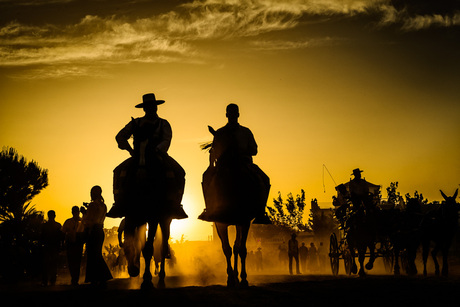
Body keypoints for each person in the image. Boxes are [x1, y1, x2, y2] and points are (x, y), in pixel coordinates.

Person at [108, 93, 187, 219]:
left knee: (179, 172)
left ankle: (176, 204)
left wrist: (157, 149)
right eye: (148, 106)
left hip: (159, 155)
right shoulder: (136, 123)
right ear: (144, 108)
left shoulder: (163, 123)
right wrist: (130, 150)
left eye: (153, 106)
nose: (151, 108)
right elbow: (120, 136)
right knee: (118, 171)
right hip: (138, 154)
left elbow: (166, 140)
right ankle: (118, 203)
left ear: (156, 107)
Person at [199, 103, 270, 224]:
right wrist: (212, 165)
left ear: (238, 114)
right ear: (227, 115)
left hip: (244, 163)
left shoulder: (246, 132)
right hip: (224, 165)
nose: (232, 115)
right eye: (230, 113)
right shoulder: (220, 132)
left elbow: (254, 150)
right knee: (206, 177)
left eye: (234, 113)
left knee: (265, 179)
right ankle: (209, 209)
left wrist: (241, 151)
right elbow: (214, 151)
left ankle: (261, 212)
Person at [82, 185, 112, 287]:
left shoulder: (92, 205)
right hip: (100, 231)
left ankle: (97, 278)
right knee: (97, 254)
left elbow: (90, 220)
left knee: (92, 255)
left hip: (93, 231)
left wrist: (84, 214)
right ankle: (102, 277)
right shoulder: (104, 206)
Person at [62, 206, 84, 286]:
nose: (75, 213)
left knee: (77, 262)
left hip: (78, 244)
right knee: (71, 262)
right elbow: (63, 233)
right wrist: (63, 243)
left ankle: (75, 279)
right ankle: (74, 278)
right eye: (74, 211)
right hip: (70, 244)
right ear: (72, 212)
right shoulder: (68, 222)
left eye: (76, 211)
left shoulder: (82, 222)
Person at [41, 210, 62, 286]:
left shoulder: (44, 226)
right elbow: (61, 237)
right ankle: (52, 280)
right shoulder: (58, 225)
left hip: (47, 247)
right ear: (55, 216)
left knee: (46, 265)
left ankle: (45, 281)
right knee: (53, 265)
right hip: (54, 247)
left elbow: (42, 237)